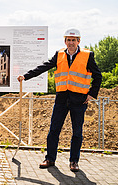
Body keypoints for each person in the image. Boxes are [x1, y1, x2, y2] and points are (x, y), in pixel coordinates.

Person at [17, 28, 102, 172]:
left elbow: (98, 76)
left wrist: (91, 94)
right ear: (65, 41)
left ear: (78, 41)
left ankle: (74, 161)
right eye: (68, 40)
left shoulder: (88, 55)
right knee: (54, 130)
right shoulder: (59, 54)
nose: (71, 43)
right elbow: (44, 67)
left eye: (73, 40)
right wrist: (26, 76)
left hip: (79, 100)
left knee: (77, 133)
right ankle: (50, 159)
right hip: (61, 99)